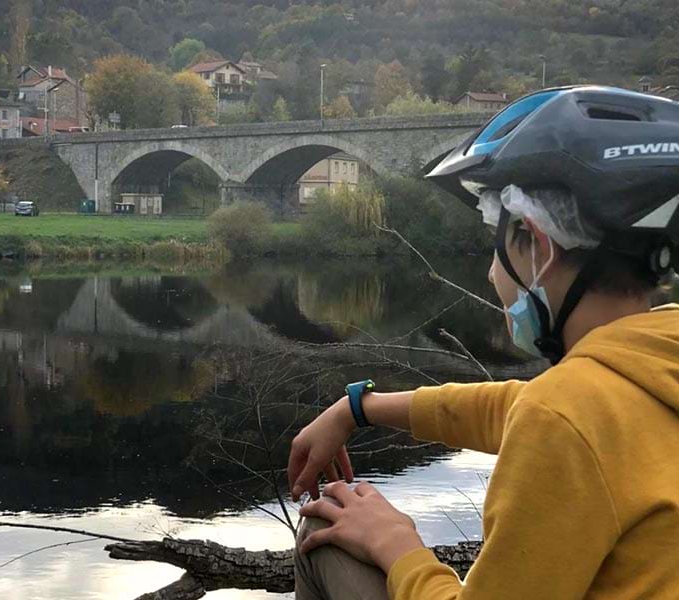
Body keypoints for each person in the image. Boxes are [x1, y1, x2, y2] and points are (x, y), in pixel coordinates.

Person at [288, 86, 679, 599]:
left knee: (326, 531)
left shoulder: (567, 415)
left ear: (536, 245)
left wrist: (397, 545)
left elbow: (550, 415)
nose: (493, 272)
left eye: (495, 246)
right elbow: (517, 407)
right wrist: (358, 408)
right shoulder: (653, 361)